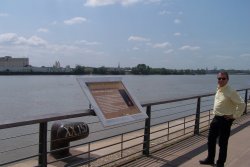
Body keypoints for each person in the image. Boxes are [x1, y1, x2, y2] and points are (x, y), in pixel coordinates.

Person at [199, 71, 246, 167]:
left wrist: (234, 116)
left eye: (223, 78)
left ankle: (220, 163)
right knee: (211, 139)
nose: (221, 80)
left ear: (227, 79)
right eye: (219, 78)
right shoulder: (219, 88)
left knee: (222, 143)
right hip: (216, 118)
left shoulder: (231, 91)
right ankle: (210, 159)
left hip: (225, 119)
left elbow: (242, 104)